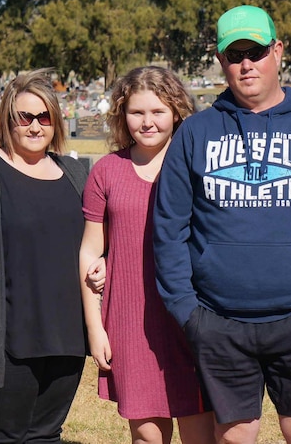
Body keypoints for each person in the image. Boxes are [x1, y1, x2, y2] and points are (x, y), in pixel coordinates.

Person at [153, 5, 291, 443]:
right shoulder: (195, 134)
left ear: (277, 51)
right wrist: (189, 313)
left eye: (255, 51)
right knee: (234, 435)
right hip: (219, 321)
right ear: (221, 61)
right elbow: (169, 228)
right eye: (235, 54)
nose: (246, 63)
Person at [0, 69, 97, 442]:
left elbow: (96, 241)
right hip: (8, 342)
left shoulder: (74, 173)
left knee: (46, 434)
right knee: (5, 435)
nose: (34, 126)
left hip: (66, 337)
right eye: (23, 117)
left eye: (43, 117)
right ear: (8, 120)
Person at [79, 66, 214, 444]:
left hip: (192, 317)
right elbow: (91, 249)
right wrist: (95, 327)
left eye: (158, 111)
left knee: (200, 435)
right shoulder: (107, 171)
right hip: (131, 321)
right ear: (122, 115)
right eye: (137, 112)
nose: (147, 122)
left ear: (176, 111)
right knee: (147, 438)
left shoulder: (197, 165)